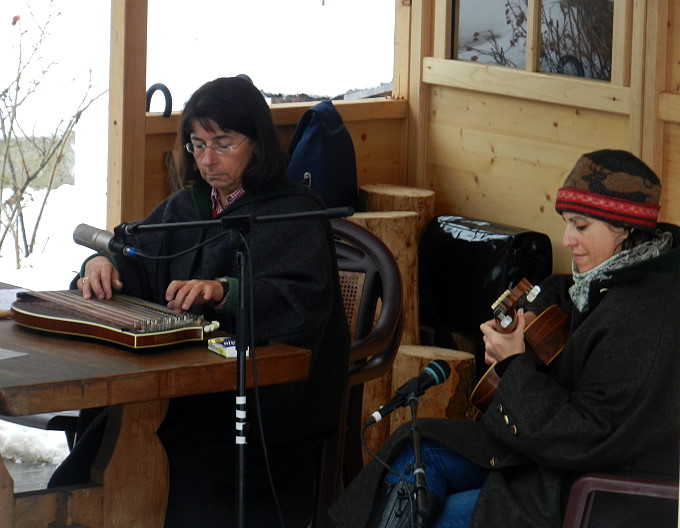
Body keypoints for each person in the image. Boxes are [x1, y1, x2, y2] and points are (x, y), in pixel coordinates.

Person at [49, 76, 350, 528]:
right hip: (183, 389)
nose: (208, 160)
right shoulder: (186, 207)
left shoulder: (293, 211)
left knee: (175, 453)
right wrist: (100, 264)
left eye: (223, 144)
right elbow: (135, 256)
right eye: (197, 144)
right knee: (114, 435)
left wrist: (227, 291)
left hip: (259, 406)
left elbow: (302, 301)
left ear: (258, 143)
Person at [330, 149, 680, 527]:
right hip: (545, 457)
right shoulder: (612, 275)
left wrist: (514, 365)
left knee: (434, 516)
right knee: (417, 447)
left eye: (580, 226)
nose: (566, 240)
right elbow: (563, 290)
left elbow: (585, 437)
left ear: (625, 228)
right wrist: (524, 320)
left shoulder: (649, 319)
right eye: (566, 223)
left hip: (588, 488)